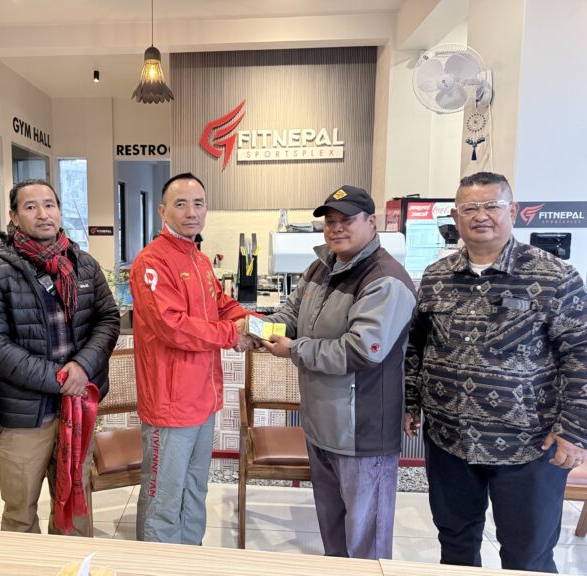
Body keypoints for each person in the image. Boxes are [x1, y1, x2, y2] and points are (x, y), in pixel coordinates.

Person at [404, 172, 587, 573]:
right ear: (456, 216)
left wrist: (575, 430)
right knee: (455, 545)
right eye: (470, 208)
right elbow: (416, 345)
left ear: (513, 211)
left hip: (528, 445)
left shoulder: (554, 276)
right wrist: (411, 402)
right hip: (450, 440)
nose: (480, 215)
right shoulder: (436, 277)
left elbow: (581, 355)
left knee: (527, 556)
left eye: (492, 205)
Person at [261, 185, 416, 560]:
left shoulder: (384, 279)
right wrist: (254, 330)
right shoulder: (320, 267)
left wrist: (293, 349)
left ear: (371, 222)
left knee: (366, 543)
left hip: (362, 434)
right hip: (322, 428)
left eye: (346, 220)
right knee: (333, 534)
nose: (336, 228)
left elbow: (361, 350)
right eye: (330, 221)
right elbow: (290, 316)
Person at [0, 178, 119, 536]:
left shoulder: (84, 265)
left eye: (49, 205)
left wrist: (82, 367)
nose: (43, 214)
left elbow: (107, 319)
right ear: (13, 217)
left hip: (78, 407)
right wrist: (60, 379)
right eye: (30, 206)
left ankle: (73, 562)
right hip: (25, 413)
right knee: (20, 512)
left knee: (75, 507)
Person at [130, 172, 255, 544]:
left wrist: (256, 324)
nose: (191, 212)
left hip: (203, 399)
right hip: (170, 405)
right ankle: (158, 566)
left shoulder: (198, 258)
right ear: (162, 211)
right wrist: (233, 334)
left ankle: (190, 557)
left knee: (196, 488)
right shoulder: (151, 262)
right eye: (181, 204)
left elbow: (221, 304)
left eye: (198, 204)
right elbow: (174, 327)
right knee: (164, 498)